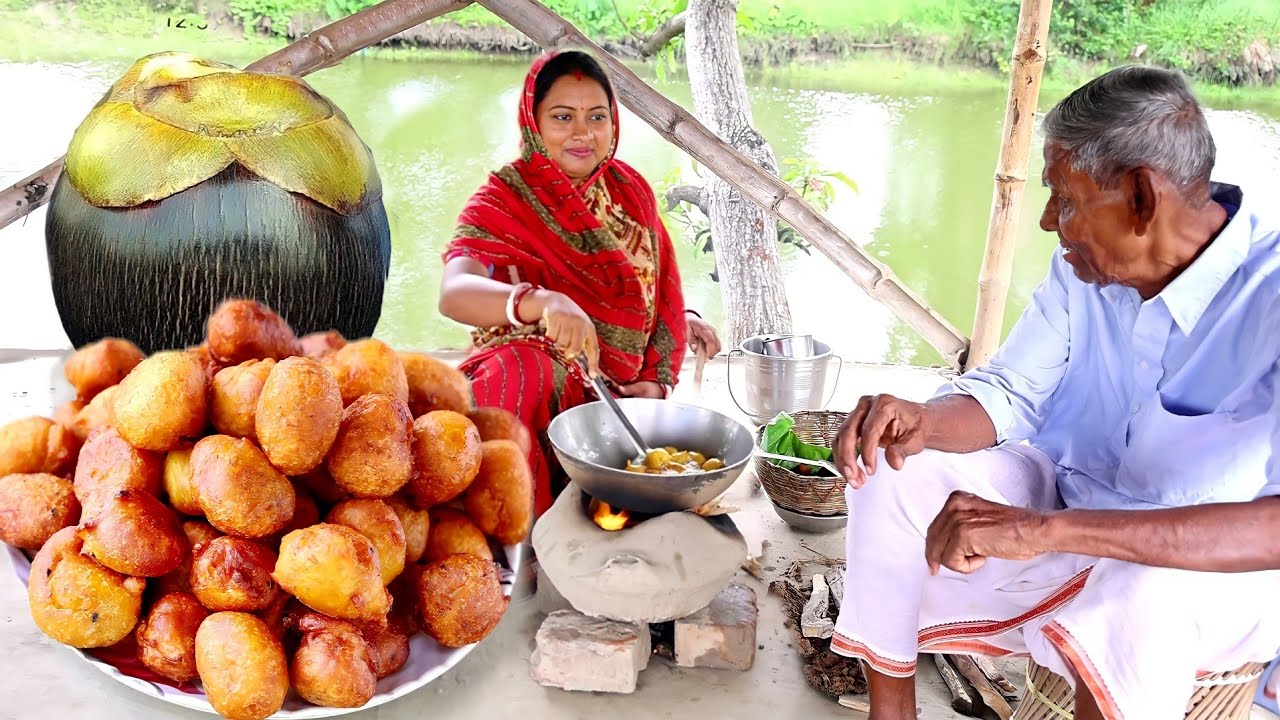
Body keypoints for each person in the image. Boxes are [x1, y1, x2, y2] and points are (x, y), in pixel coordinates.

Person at [829, 65, 1280, 720]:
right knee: (894, 470)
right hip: (1070, 502)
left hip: (1208, 573)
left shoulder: (1271, 295)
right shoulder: (1084, 266)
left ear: (1142, 198)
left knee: (1137, 593)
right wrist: (922, 420)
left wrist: (1042, 530)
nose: (1048, 221)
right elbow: (1011, 392)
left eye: (1064, 198)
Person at [439, 50, 719, 516]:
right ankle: (516, 525)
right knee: (523, 371)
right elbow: (455, 293)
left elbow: (659, 289)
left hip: (616, 392)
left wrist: (654, 381)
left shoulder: (630, 192)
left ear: (614, 122)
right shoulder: (503, 199)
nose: (583, 133)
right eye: (563, 117)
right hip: (534, 385)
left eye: (597, 117)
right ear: (533, 121)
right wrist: (540, 301)